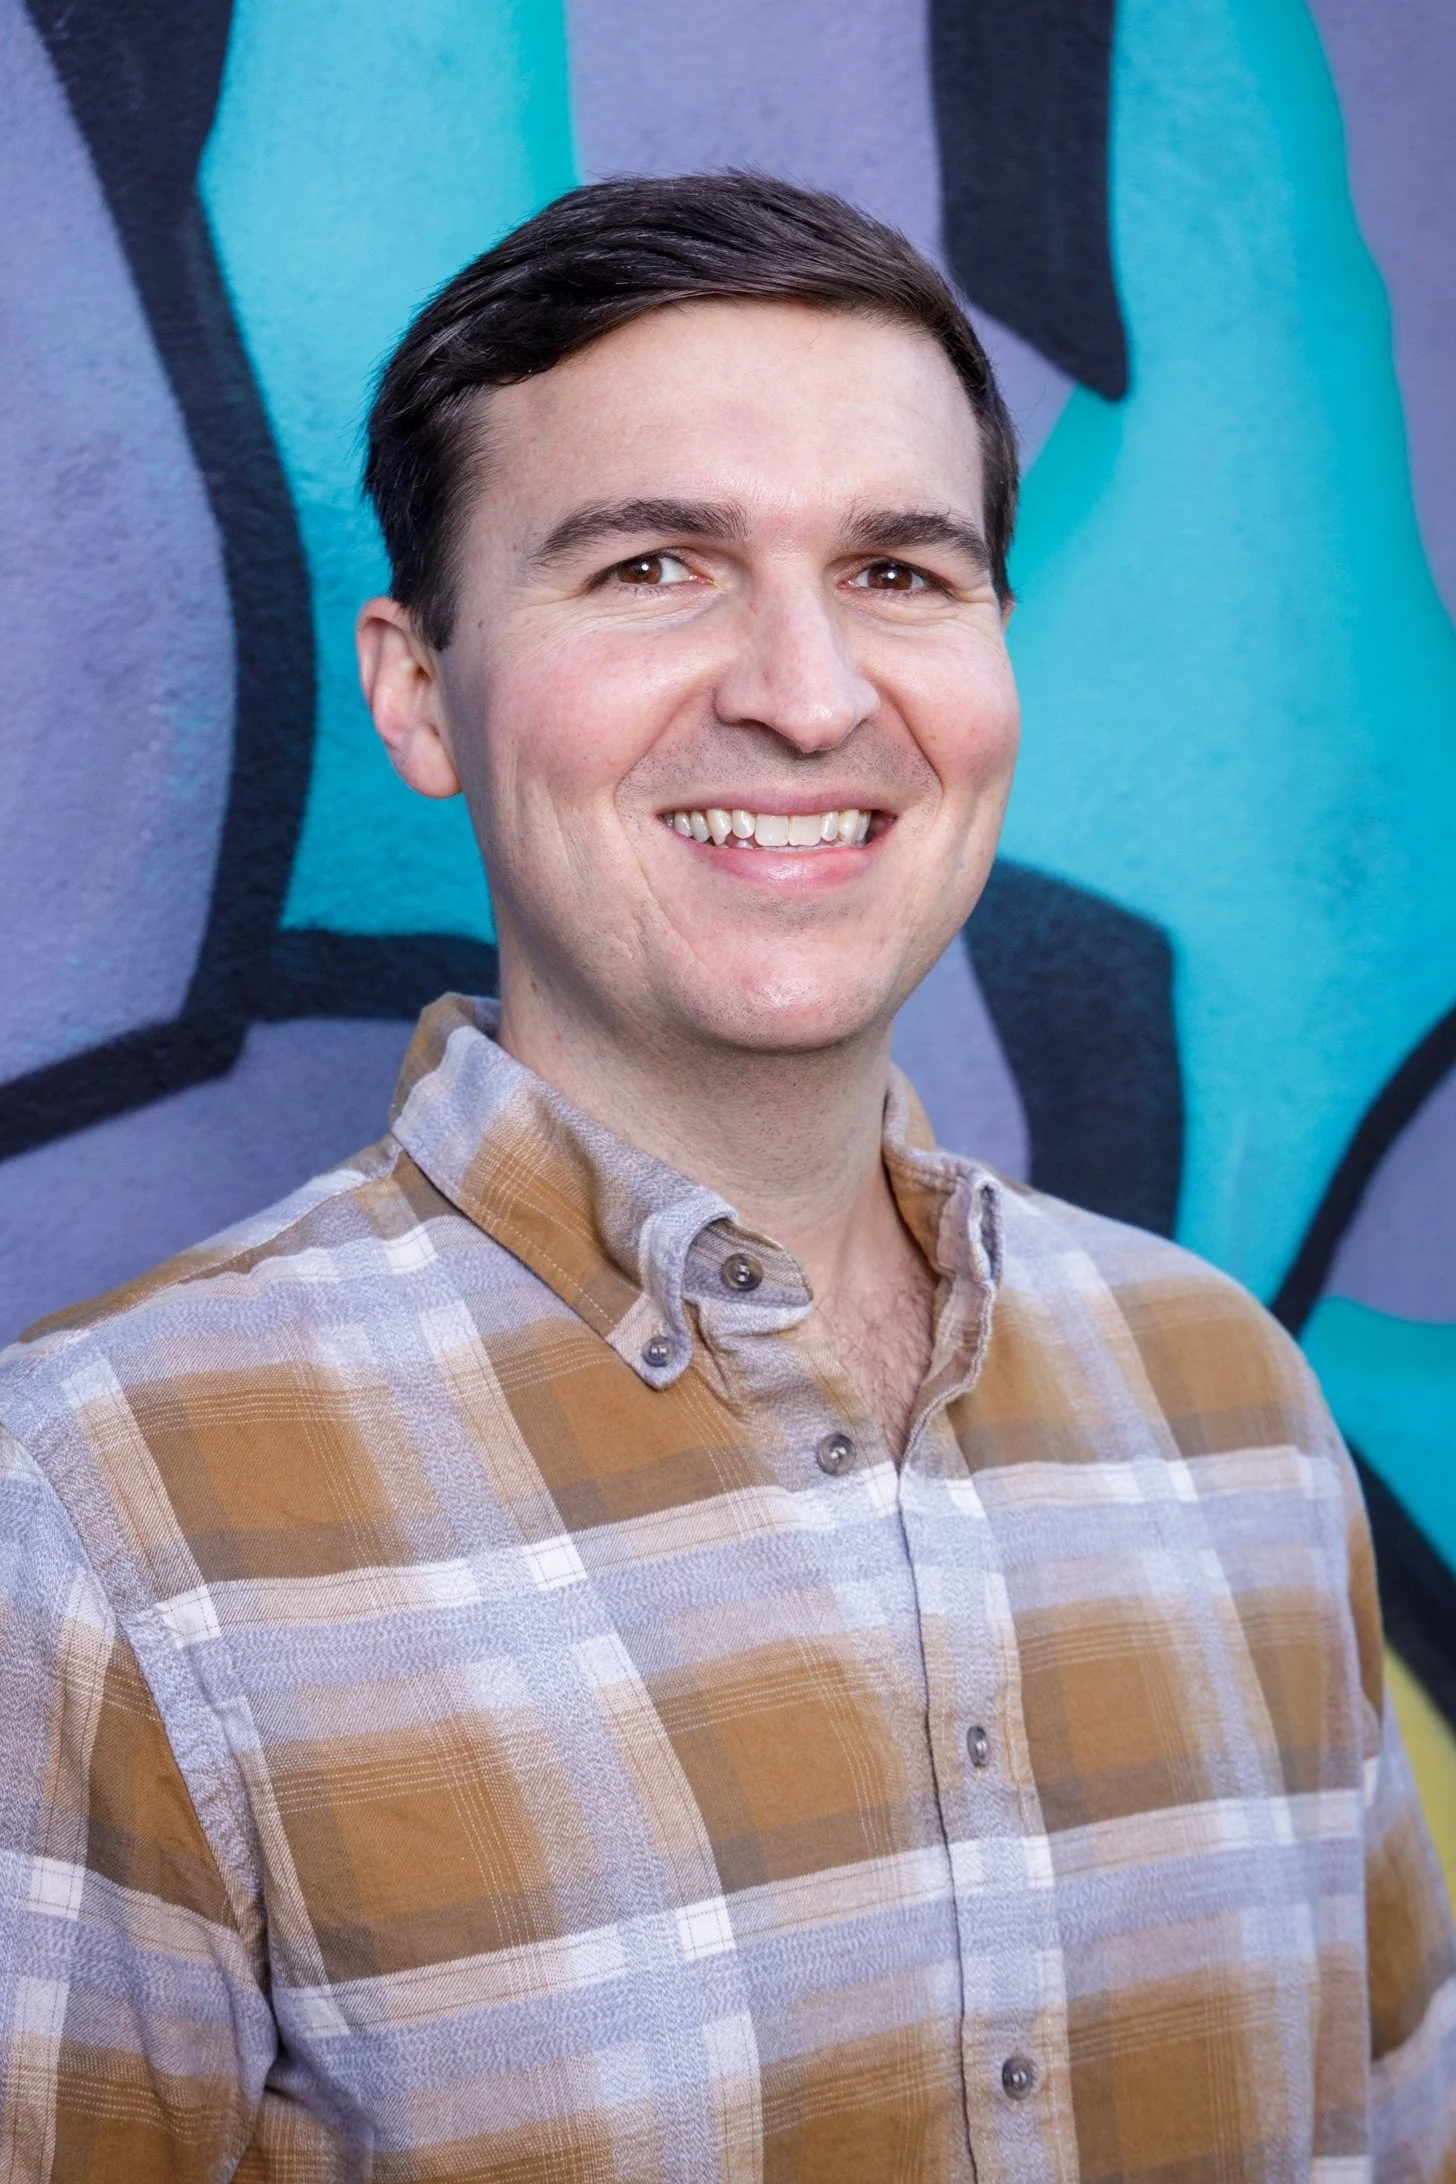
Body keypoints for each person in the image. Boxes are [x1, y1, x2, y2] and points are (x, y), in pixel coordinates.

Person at [0, 174, 1450, 2183]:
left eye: (900, 574)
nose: (803, 689)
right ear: (417, 689)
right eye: (653, 567)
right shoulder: (101, 1510)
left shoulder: (1224, 1406)